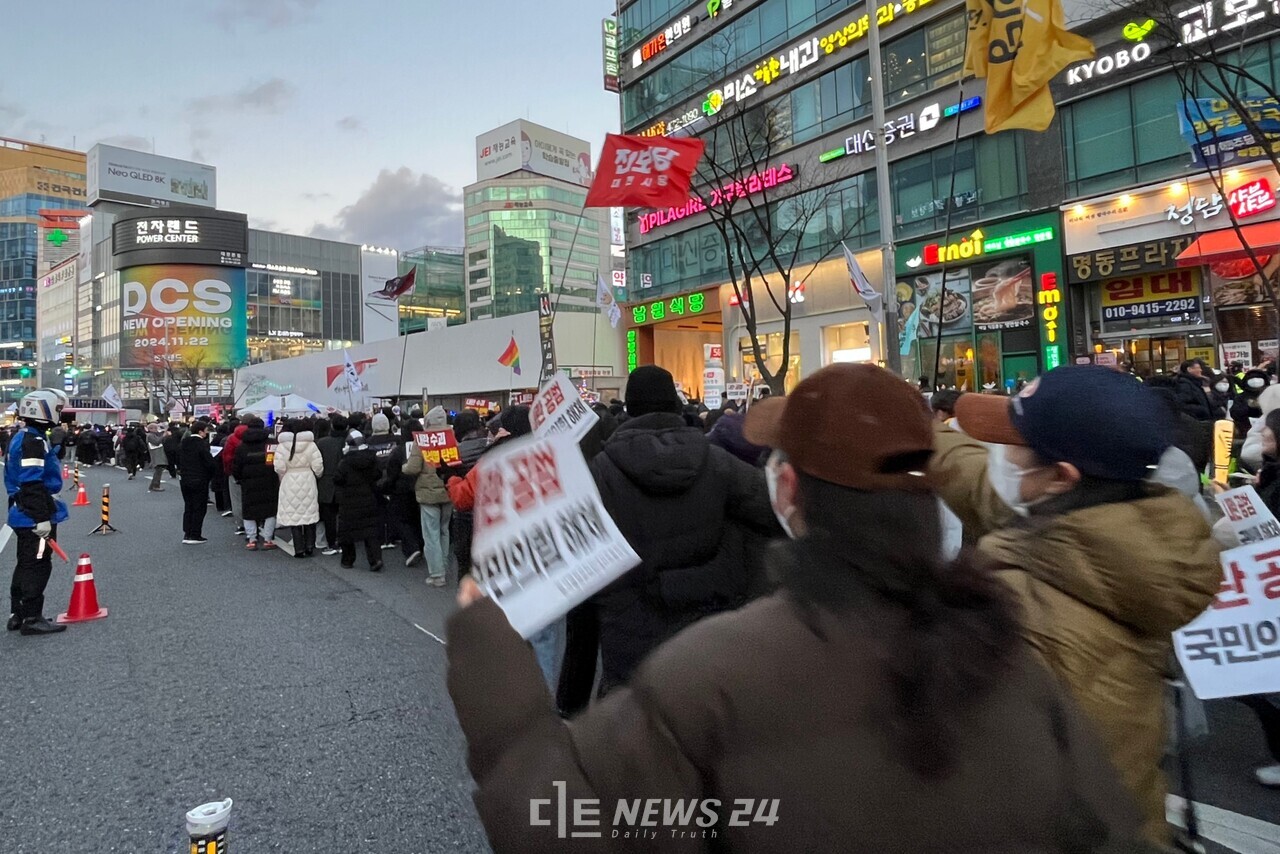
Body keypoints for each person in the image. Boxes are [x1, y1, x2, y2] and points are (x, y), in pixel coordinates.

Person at [445, 364, 1148, 853]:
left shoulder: (707, 678)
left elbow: (556, 821)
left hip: (639, 650)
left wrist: (492, 665)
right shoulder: (1015, 659)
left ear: (790, 494)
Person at [933, 365, 1221, 844]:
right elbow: (979, 481)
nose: (998, 453)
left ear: (1061, 477)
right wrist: (924, 435)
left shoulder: (1022, 610)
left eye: (1011, 443)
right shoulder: (1112, 531)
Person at [565, 366, 780, 698]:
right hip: (705, 644)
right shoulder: (718, 463)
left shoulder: (598, 475)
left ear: (629, 409)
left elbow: (581, 581)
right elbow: (778, 514)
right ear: (676, 406)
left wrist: (572, 697)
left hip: (629, 659)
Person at [6, 389, 70, 636]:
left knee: (25, 562)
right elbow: (32, 482)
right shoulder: (33, 441)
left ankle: (18, 614)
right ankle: (32, 617)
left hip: (22, 510)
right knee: (38, 564)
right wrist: (42, 517)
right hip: (34, 511)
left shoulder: (23, 436)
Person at [402, 406, 453, 586]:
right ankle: (444, 566)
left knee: (431, 534)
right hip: (448, 490)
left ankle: (437, 574)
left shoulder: (422, 440)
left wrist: (403, 467)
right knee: (444, 531)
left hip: (427, 492)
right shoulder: (451, 437)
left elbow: (413, 467)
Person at [274, 419, 324, 559]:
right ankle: (310, 546)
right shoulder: (311, 444)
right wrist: (316, 475)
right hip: (308, 479)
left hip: (289, 480)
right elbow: (318, 466)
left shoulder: (282, 446)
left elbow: (279, 467)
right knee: (309, 514)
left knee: (294, 517)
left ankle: (299, 549)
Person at [381, 417, 426, 568]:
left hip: (401, 490)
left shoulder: (398, 451)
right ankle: (421, 546)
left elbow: (391, 474)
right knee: (418, 520)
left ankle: (412, 548)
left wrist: (385, 488)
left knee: (401, 520)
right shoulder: (426, 446)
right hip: (422, 487)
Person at [335, 430, 383, 571]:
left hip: (349, 501)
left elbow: (338, 479)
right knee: (371, 531)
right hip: (369, 498)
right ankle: (375, 560)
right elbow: (377, 474)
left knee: (346, 532)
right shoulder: (372, 459)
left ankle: (348, 560)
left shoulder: (344, 462)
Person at [233, 417, 279, 551]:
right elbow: (276, 462)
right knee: (270, 510)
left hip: (248, 482)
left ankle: (252, 539)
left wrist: (240, 479)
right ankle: (268, 539)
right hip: (269, 480)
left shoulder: (242, 446)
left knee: (249, 510)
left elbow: (236, 467)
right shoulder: (271, 443)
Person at [177, 418, 217, 544]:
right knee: (199, 507)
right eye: (205, 432)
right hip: (199, 478)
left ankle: (187, 533)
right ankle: (195, 534)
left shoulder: (183, 443)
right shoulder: (201, 444)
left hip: (185, 478)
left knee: (188, 506)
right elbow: (209, 463)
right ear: (200, 432)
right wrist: (211, 475)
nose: (206, 434)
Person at [366, 412, 399, 551]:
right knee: (394, 508)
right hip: (394, 478)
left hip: (375, 480)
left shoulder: (367, 442)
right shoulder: (397, 439)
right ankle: (393, 536)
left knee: (378, 510)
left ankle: (380, 537)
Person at [315, 416, 346, 556]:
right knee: (343, 514)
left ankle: (331, 543)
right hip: (345, 482)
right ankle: (344, 541)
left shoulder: (322, 443)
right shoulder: (348, 441)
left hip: (325, 482)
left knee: (329, 516)